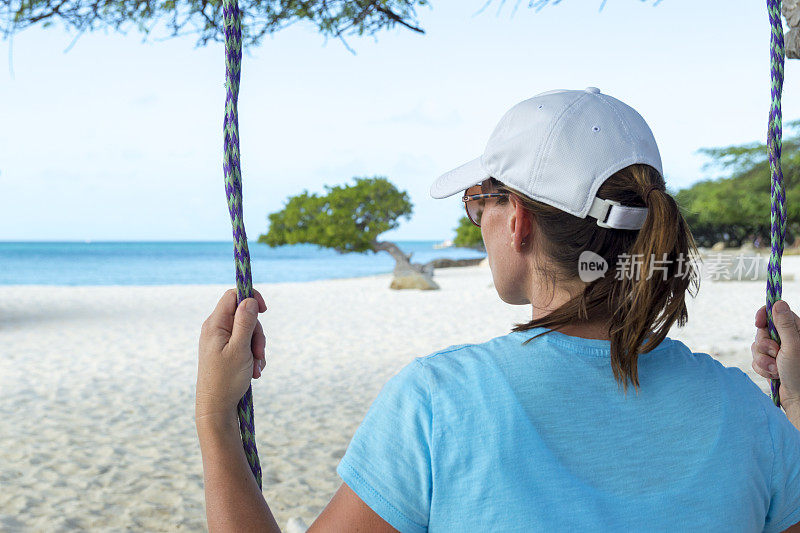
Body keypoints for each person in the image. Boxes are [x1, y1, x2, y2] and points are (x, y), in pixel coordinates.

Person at [195, 88, 800, 532]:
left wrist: (215, 421)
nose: (476, 220)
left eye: (477, 202)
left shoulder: (438, 404)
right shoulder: (750, 414)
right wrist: (795, 406)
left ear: (518, 221)